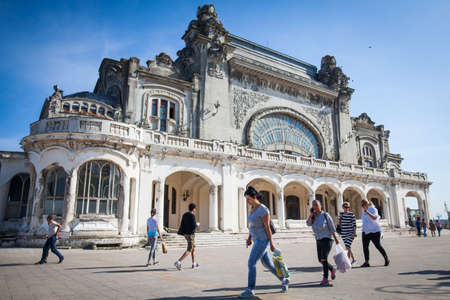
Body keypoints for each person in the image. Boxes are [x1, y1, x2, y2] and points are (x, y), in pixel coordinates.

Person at [239, 186, 289, 298]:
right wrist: (249, 238)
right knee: (268, 264)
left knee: (251, 263)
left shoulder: (263, 210)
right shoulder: (252, 209)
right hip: (256, 240)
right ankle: (284, 279)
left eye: (249, 199)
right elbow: (252, 226)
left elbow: (267, 228)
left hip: (262, 241)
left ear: (255, 197)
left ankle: (250, 289)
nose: (247, 201)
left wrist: (271, 243)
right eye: (247, 199)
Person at [307, 199, 339, 287]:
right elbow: (308, 224)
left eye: (316, 205)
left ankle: (325, 279)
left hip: (327, 238)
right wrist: (311, 215)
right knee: (320, 260)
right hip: (318, 239)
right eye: (313, 205)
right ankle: (332, 269)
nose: (315, 207)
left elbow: (332, 227)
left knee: (324, 258)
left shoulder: (325, 215)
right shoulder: (313, 216)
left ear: (320, 206)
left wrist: (336, 239)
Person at [360, 200, 389, 268]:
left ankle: (386, 258)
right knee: (365, 247)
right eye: (362, 205)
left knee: (378, 245)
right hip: (365, 231)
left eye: (363, 204)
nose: (362, 206)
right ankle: (367, 262)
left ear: (367, 204)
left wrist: (367, 212)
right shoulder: (363, 211)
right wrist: (363, 230)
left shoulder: (373, 209)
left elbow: (375, 218)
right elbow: (365, 221)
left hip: (374, 231)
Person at [174, 203, 199, 270]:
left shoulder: (184, 214)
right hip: (191, 234)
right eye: (195, 208)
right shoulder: (192, 215)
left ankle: (194, 263)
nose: (195, 210)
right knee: (189, 249)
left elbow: (182, 224)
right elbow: (194, 226)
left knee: (193, 248)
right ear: (193, 209)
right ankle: (178, 261)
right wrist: (197, 225)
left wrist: (183, 232)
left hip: (186, 234)